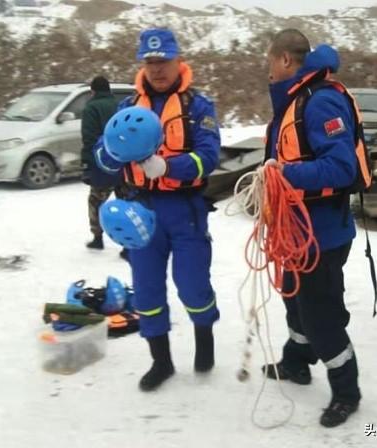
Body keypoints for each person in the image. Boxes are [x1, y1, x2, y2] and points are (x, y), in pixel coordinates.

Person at [102, 28, 221, 391]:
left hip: (185, 209)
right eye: (150, 62)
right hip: (141, 211)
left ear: (177, 61)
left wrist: (170, 167)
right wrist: (110, 155)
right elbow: (102, 154)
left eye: (163, 61)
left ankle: (204, 341)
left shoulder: (198, 107)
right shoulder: (126, 109)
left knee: (192, 284)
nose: (156, 69)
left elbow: (209, 156)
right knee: (147, 290)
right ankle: (162, 361)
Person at [262, 29, 368, 427]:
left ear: (286, 61)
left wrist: (284, 173)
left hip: (322, 234)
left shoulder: (320, 102)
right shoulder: (292, 103)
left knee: (320, 314)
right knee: (295, 301)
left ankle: (346, 390)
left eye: (270, 61)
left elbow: (342, 167)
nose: (268, 70)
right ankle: (296, 363)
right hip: (295, 231)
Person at [81, 75, 123, 251]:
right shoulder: (120, 105)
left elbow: (89, 139)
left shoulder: (91, 108)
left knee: (96, 201)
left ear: (93, 91)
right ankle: (127, 245)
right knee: (125, 203)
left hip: (102, 164)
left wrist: (87, 164)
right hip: (123, 162)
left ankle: (97, 238)